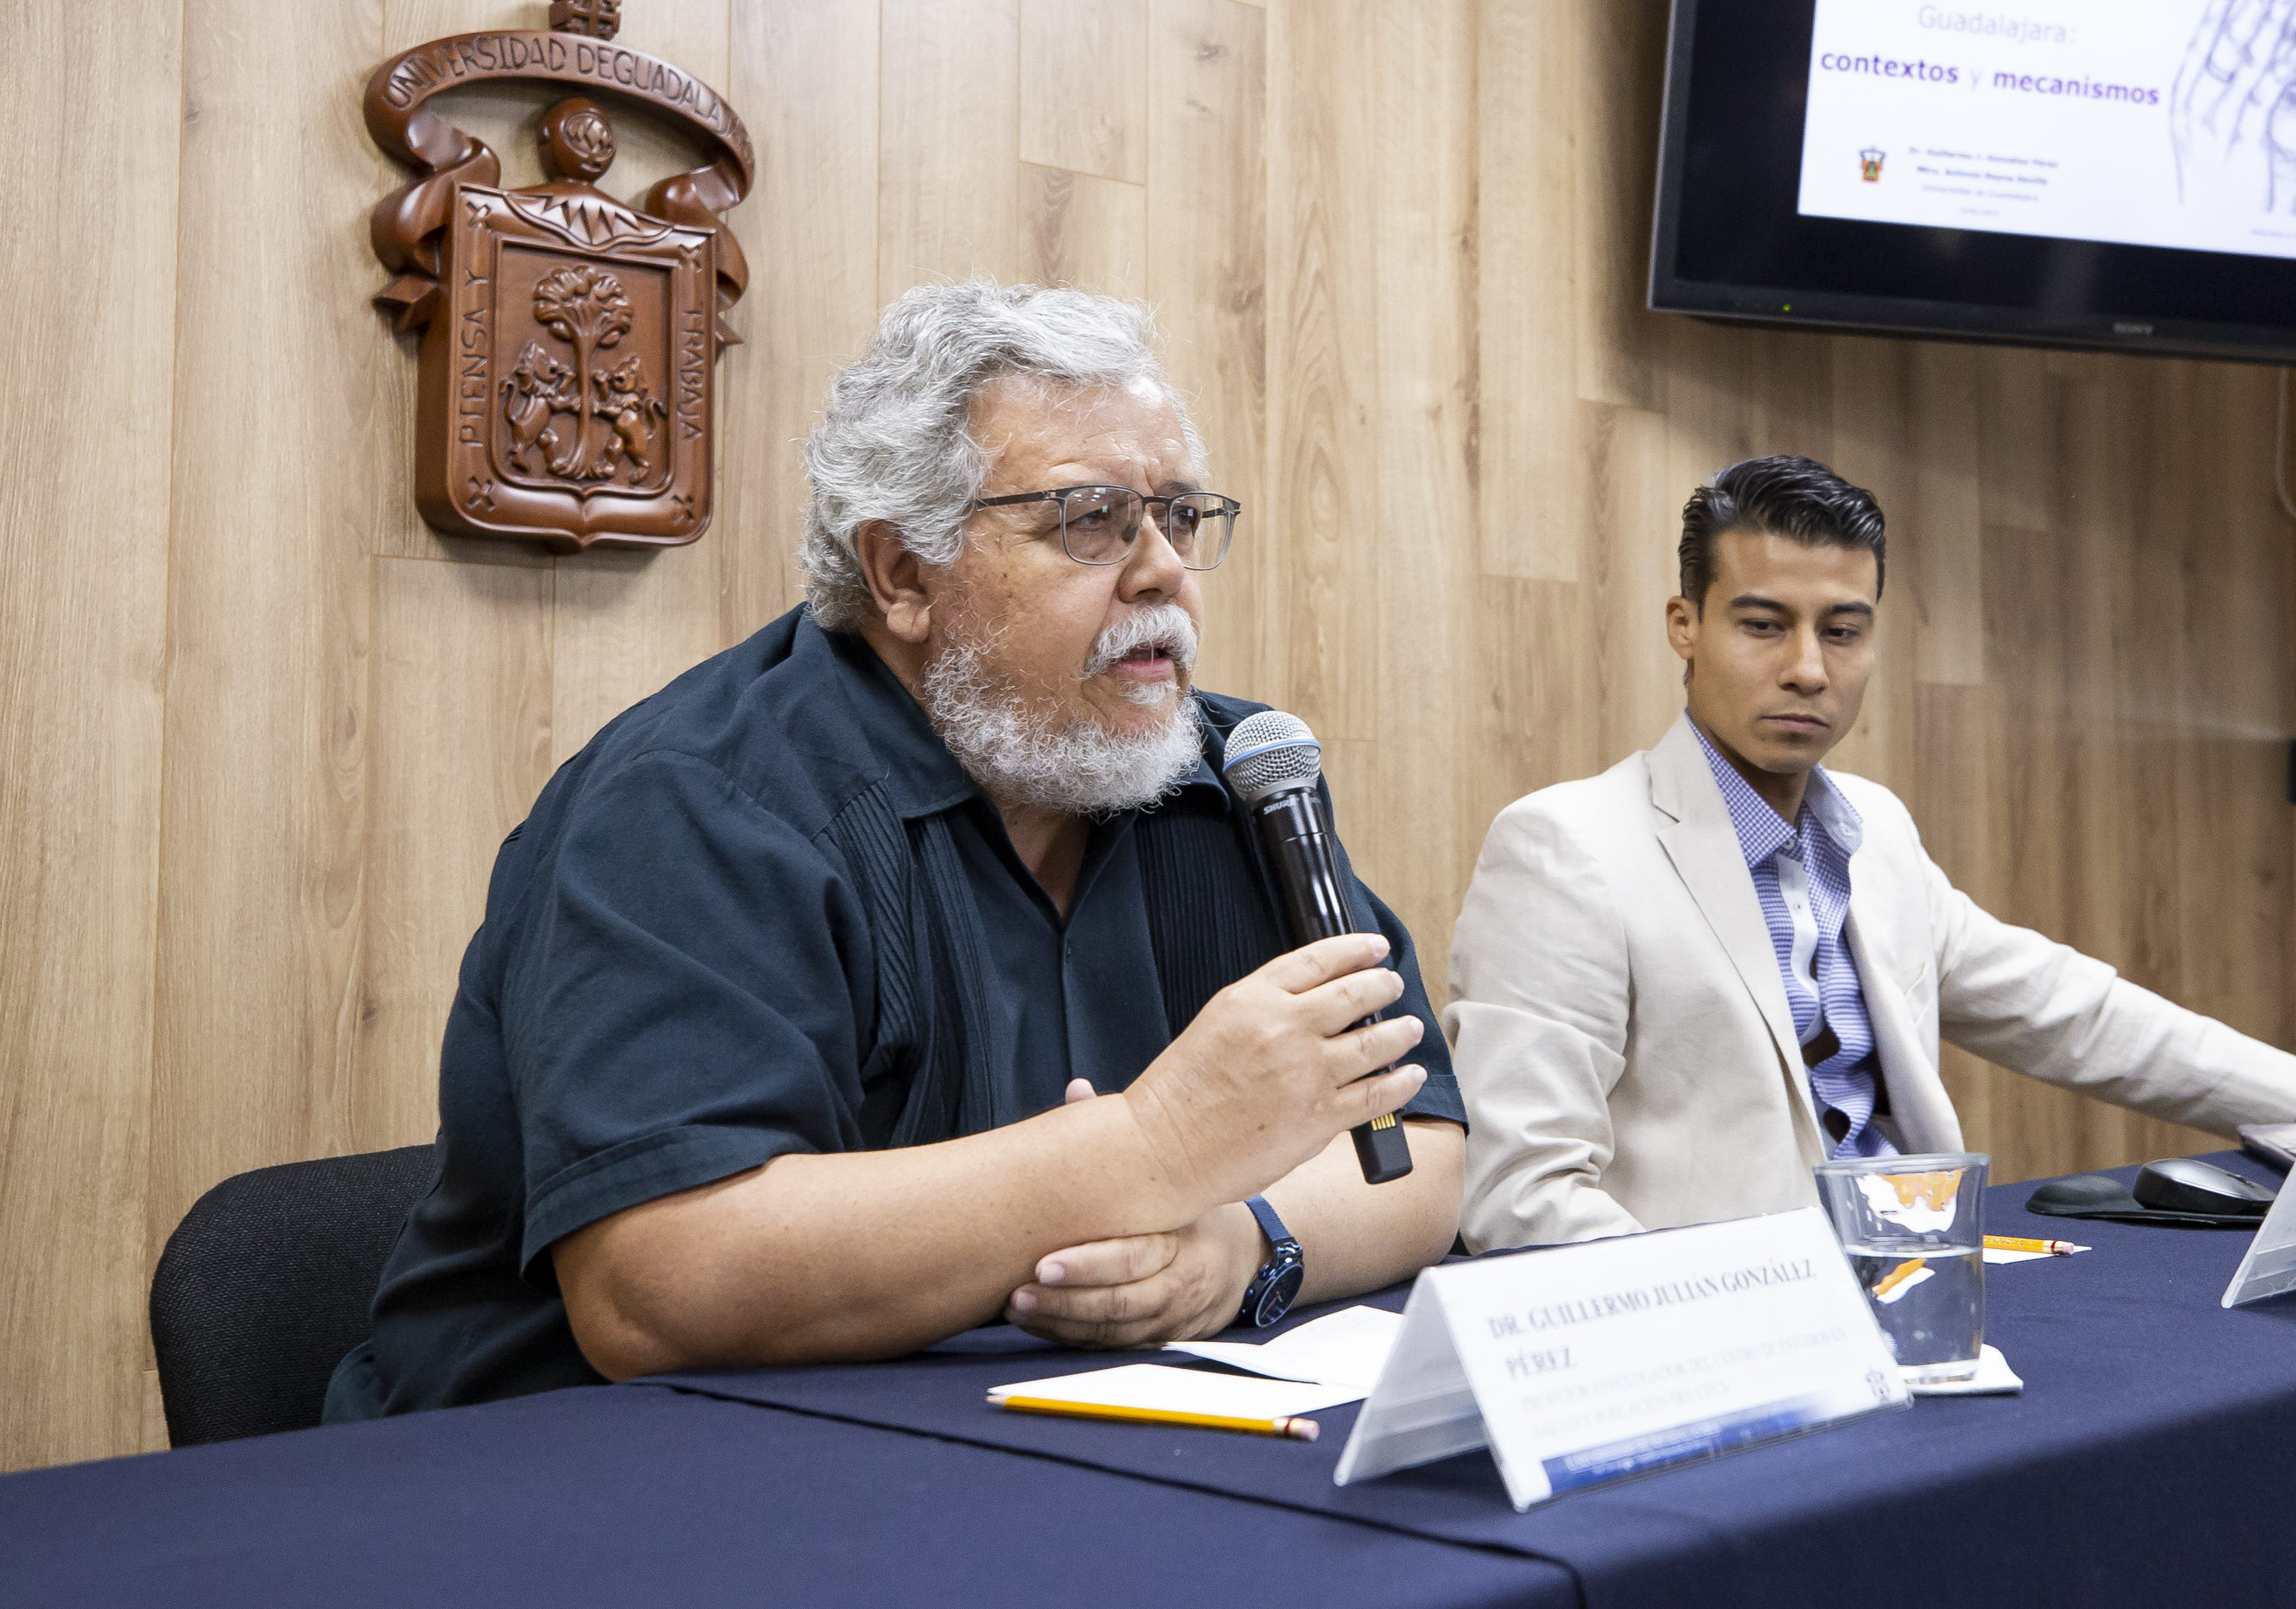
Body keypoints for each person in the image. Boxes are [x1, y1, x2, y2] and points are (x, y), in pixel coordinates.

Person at [327, 283, 1464, 1418]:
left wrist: (1245, 1243)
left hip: (1041, 1445)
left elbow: (1417, 1145)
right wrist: (1151, 1146)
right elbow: (657, 1288)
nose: (1163, 567)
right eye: (1091, 519)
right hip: (585, 1482)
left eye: (1177, 515)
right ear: (901, 574)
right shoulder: (697, 802)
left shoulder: (1234, 773)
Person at [1444, 454, 2296, 1251]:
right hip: (1725, 1343)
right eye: (1764, 625)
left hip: (1920, 1287)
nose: (1808, 668)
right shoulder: (1568, 847)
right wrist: (1740, 1326)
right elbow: (1522, 1193)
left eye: (1843, 632)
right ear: (1686, 625)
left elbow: (2068, 1009)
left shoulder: (1875, 831)